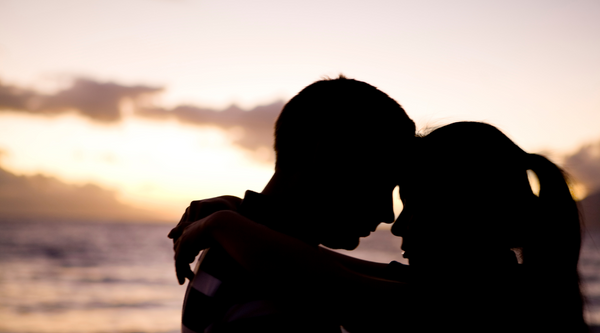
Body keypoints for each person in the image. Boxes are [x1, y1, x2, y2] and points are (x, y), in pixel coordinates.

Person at [172, 121, 588, 332]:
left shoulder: (487, 307)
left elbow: (325, 280)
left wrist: (226, 222)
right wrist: (236, 213)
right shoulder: (479, 286)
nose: (397, 224)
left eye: (417, 206)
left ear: (466, 213)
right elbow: (317, 262)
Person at [169, 75, 416, 333]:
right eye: (379, 185)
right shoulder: (277, 294)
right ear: (325, 157)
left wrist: (228, 220)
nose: (388, 215)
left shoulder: (259, 263)